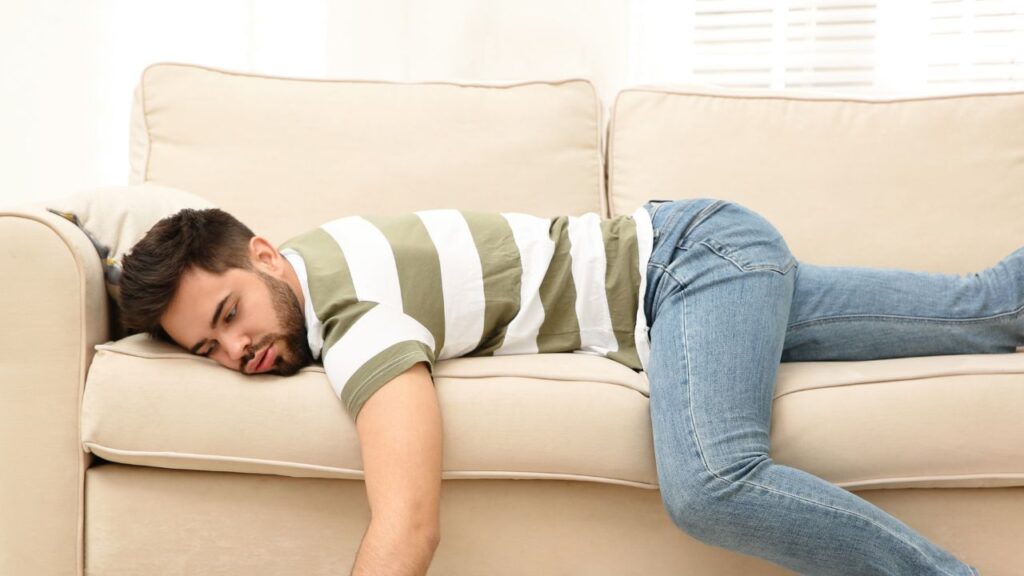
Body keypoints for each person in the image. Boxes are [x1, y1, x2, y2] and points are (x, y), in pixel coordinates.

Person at [118, 198, 1003, 576]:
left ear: (265, 254)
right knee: (989, 311)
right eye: (209, 348)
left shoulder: (351, 311)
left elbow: (407, 525)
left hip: (689, 268)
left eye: (232, 313)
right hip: (708, 253)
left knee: (711, 483)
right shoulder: (311, 263)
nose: (239, 349)